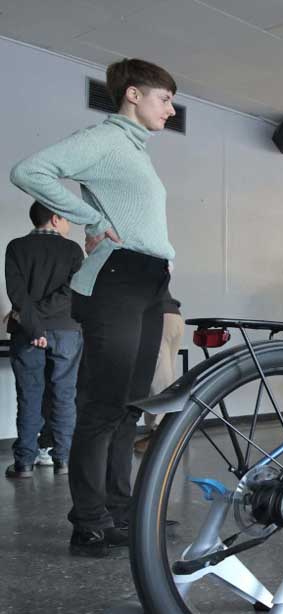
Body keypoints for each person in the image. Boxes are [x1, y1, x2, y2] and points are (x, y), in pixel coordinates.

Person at [10, 58, 177, 557]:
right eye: (164, 98)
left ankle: (119, 510)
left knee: (129, 407)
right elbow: (29, 171)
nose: (170, 109)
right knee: (103, 406)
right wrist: (90, 219)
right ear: (132, 94)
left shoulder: (136, 151)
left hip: (148, 279)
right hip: (116, 278)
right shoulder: (106, 137)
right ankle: (88, 521)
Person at [4, 202, 84, 479]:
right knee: (64, 395)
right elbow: (70, 292)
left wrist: (33, 325)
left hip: (26, 332)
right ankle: (63, 459)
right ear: (55, 218)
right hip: (66, 331)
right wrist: (42, 321)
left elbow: (16, 293)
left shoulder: (16, 247)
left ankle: (24, 463)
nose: (69, 226)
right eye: (66, 219)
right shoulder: (73, 250)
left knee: (29, 395)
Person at [134, 288, 183, 454]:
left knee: (159, 381)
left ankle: (160, 438)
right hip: (174, 316)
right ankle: (166, 433)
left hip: (157, 318)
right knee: (168, 380)